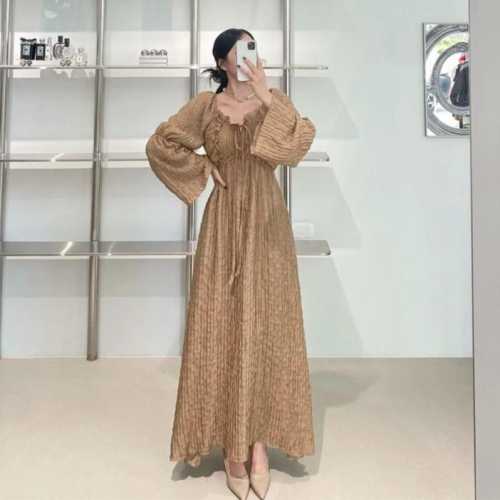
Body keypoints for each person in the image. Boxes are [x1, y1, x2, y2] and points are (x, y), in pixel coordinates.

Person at [145, 28, 316, 500]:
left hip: (267, 223)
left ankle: (257, 442)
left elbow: (298, 145)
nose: (249, 56)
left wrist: (267, 95)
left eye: (253, 47)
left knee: (266, 326)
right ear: (222, 61)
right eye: (240, 49)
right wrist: (204, 167)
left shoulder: (274, 101)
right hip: (222, 224)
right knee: (219, 325)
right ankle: (231, 448)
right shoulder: (205, 106)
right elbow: (160, 143)